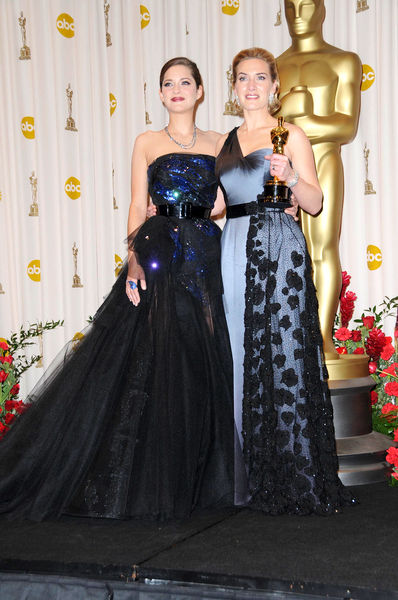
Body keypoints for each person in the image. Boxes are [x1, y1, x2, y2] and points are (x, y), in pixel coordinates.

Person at [0, 57, 235, 521]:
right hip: (159, 250)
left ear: (201, 90)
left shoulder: (219, 142)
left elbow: (223, 205)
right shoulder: (147, 141)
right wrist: (133, 261)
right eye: (168, 83)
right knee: (157, 357)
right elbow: (134, 204)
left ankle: (204, 474)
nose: (176, 90)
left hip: (207, 251)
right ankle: (146, 476)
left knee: (204, 352)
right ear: (162, 93)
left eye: (185, 82)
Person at [215, 47, 356, 515]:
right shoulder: (227, 141)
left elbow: (313, 202)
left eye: (260, 77)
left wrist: (292, 176)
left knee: (283, 353)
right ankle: (247, 477)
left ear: (275, 85)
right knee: (238, 354)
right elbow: (219, 203)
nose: (251, 86)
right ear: (233, 88)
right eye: (242, 78)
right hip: (231, 247)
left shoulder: (290, 134)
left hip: (277, 247)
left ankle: (291, 471)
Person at [276, 0, 362, 360]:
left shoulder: (342, 60)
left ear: (322, 9)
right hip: (280, 166)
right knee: (282, 254)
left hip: (324, 157)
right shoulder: (273, 66)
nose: (298, 15)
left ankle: (323, 336)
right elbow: (262, 127)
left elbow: (346, 125)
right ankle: (294, 336)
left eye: (306, 6)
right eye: (290, 7)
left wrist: (299, 117)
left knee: (323, 247)